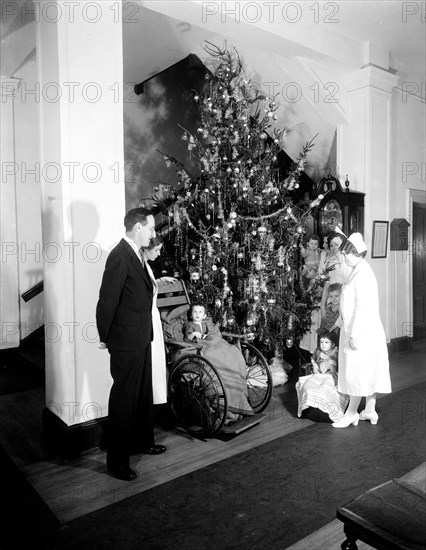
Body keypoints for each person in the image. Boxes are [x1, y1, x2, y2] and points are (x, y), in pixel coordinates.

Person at [96, 207, 165, 482]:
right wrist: (105, 336)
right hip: (125, 340)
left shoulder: (136, 254)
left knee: (142, 395)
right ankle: (117, 462)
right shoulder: (119, 255)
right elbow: (107, 300)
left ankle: (143, 442)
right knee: (124, 400)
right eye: (151, 228)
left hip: (141, 336)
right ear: (138, 227)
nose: (154, 233)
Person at [332, 233, 392, 428]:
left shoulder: (363, 274)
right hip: (358, 328)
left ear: (357, 253)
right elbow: (349, 304)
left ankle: (351, 413)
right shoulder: (358, 270)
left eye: (348, 254)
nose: (345, 257)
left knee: (356, 371)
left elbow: (363, 307)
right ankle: (369, 409)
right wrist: (341, 322)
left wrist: (355, 334)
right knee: (367, 370)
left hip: (361, 331)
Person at [182, 303, 254, 422]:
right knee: (213, 355)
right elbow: (188, 337)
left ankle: (234, 387)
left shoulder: (206, 324)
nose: (197, 314)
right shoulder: (190, 325)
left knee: (231, 351)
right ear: (190, 315)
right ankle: (221, 403)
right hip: (199, 345)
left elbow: (212, 336)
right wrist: (193, 335)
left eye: (200, 312)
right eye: (195, 312)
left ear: (204, 315)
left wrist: (208, 337)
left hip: (209, 343)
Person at [141, 236, 176, 406]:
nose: (159, 253)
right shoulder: (140, 265)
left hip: (152, 317)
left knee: (156, 362)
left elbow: (147, 286)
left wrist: (159, 281)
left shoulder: (146, 266)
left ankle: (155, 398)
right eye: (156, 250)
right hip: (147, 318)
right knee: (151, 362)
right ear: (146, 248)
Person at [296, 331, 349, 422]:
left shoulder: (336, 352)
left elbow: (340, 365)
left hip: (330, 375)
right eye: (321, 342)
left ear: (333, 344)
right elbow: (313, 359)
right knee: (308, 385)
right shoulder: (318, 351)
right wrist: (314, 365)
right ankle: (308, 405)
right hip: (318, 374)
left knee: (325, 388)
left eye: (326, 342)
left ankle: (331, 410)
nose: (323, 345)